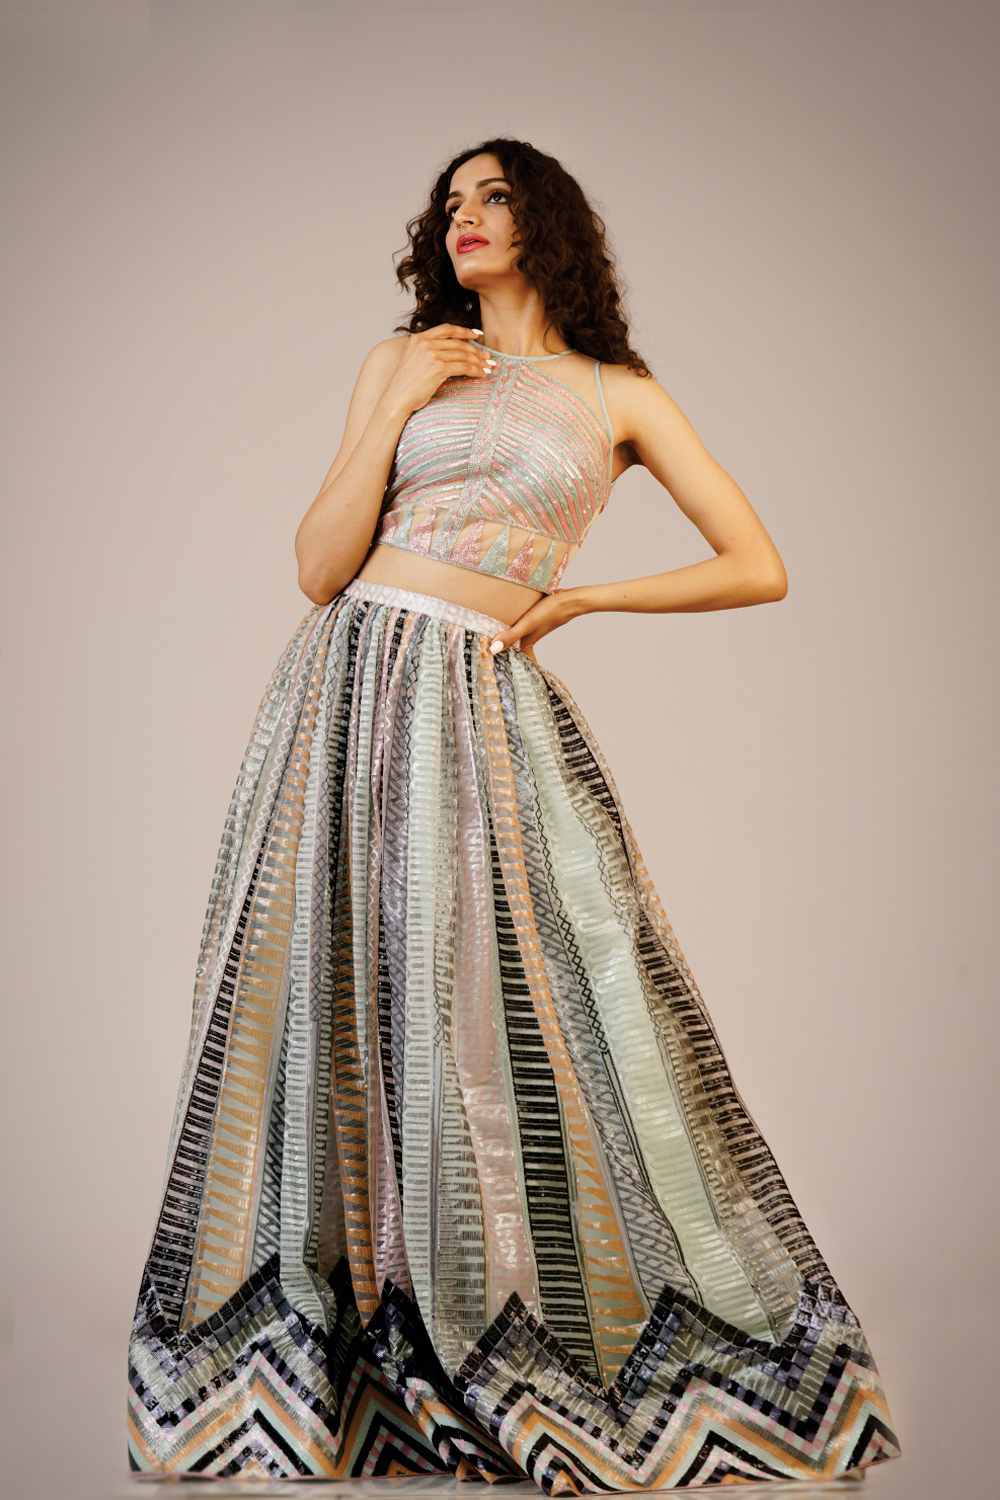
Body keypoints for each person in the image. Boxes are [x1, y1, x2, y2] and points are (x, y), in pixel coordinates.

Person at [128, 138, 898, 1491]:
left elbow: (756, 562)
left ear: (548, 219)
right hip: (343, 691)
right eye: (451, 204)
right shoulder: (406, 359)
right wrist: (392, 403)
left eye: (493, 196)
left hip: (480, 707)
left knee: (508, 1010)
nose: (465, 218)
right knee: (327, 997)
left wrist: (586, 597)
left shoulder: (617, 394)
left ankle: (511, 1324)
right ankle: (339, 1363)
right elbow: (317, 566)